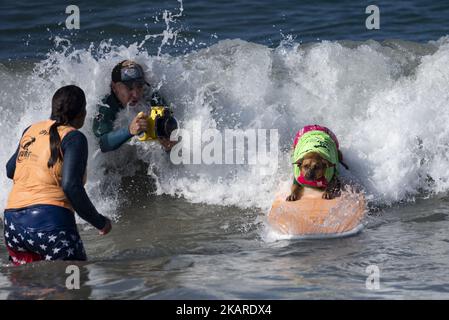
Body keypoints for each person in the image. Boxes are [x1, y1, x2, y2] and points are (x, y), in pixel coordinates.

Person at [3, 85, 112, 266]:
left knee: (27, 288)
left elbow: (10, 169)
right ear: (81, 113)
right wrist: (99, 222)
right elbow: (71, 186)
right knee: (75, 284)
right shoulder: (74, 137)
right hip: (50, 223)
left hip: (13, 225)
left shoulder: (31, 130)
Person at [92, 60, 176, 152]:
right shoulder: (105, 106)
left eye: (139, 86)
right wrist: (129, 130)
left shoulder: (153, 98)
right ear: (114, 88)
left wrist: (169, 145)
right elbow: (102, 144)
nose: (135, 94)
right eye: (129, 88)